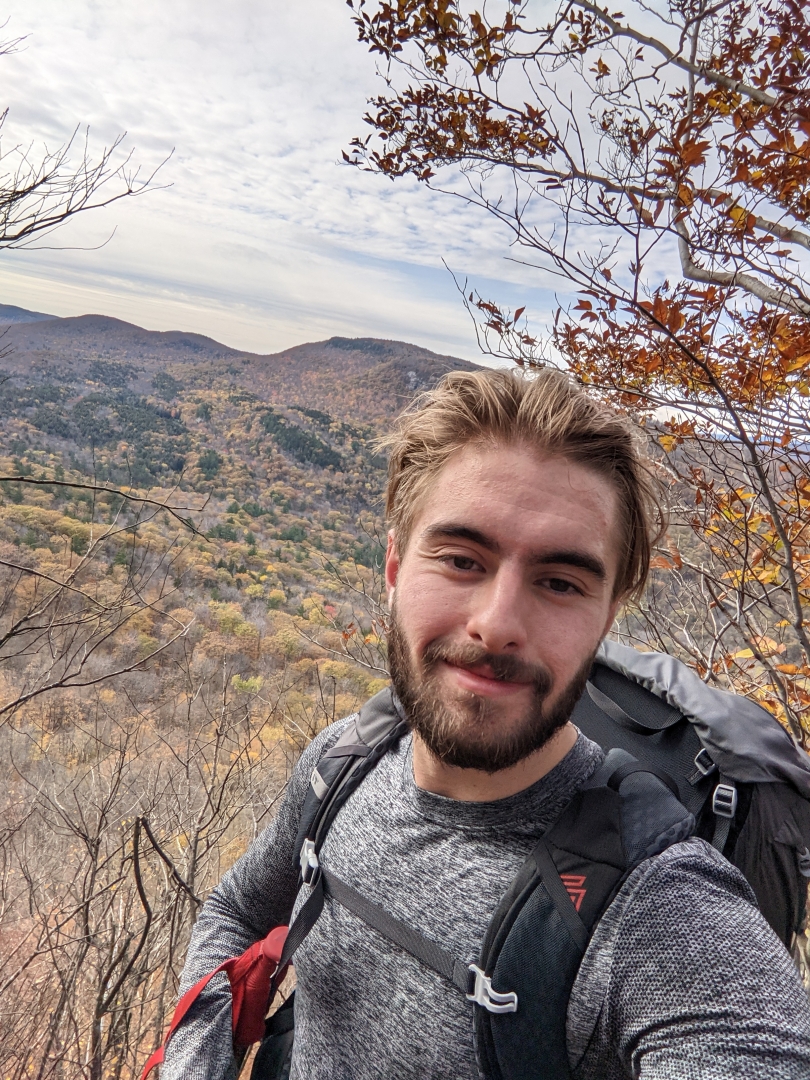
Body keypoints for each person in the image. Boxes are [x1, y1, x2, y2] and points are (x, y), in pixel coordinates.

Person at [163, 368, 810, 1079]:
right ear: (394, 566)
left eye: (560, 582)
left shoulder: (660, 906)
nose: (498, 624)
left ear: (607, 616)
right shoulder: (342, 765)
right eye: (462, 559)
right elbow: (233, 909)